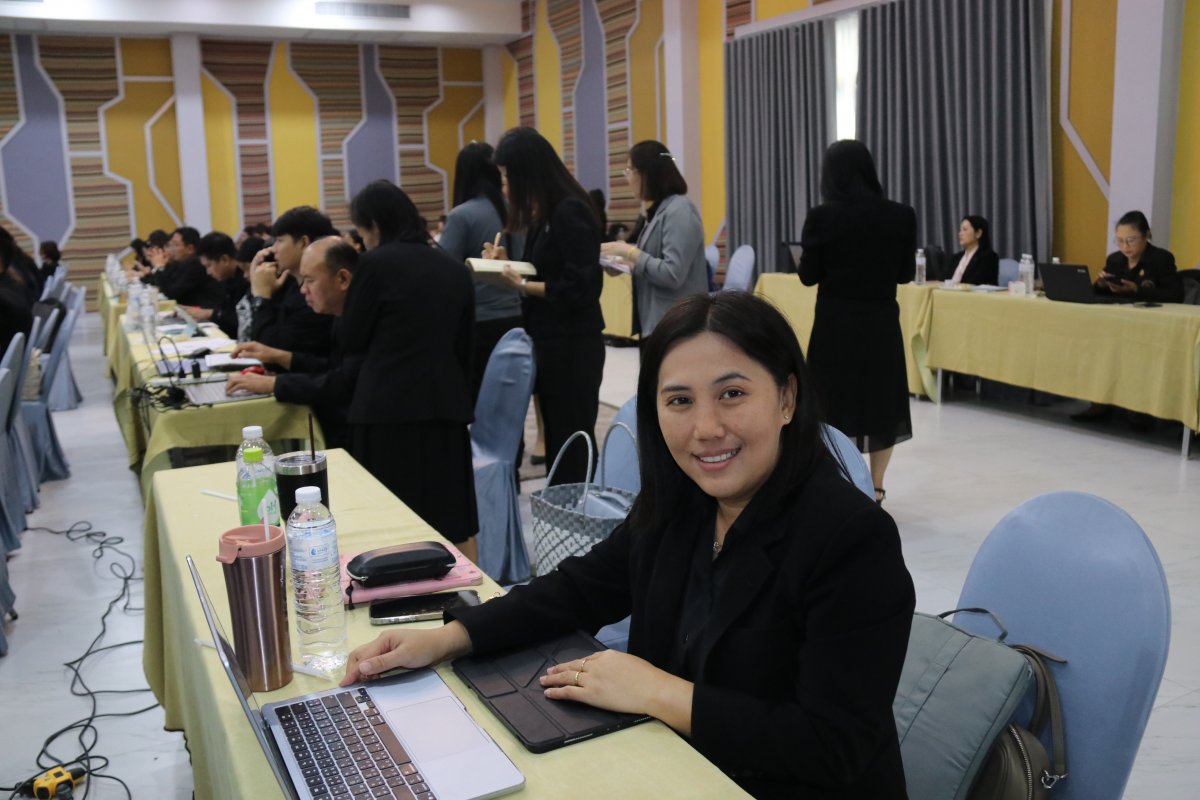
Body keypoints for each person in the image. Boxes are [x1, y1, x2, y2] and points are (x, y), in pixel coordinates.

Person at [341, 292, 915, 799]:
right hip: (672, 769)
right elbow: (578, 589)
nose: (706, 428)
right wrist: (448, 638)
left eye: (732, 394)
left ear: (787, 398)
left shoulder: (850, 539)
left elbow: (832, 745)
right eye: (679, 401)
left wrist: (659, 692)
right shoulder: (682, 504)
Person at [342, 180, 479, 561]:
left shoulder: (374, 265)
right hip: (444, 408)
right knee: (450, 520)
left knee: (386, 524)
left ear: (373, 224)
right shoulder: (454, 268)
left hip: (385, 410)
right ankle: (467, 590)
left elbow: (351, 337)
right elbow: (466, 347)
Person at [486, 127, 605, 486]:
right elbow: (546, 270)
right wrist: (507, 266)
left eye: (507, 178)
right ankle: (562, 507)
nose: (504, 188)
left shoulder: (570, 211)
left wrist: (521, 285)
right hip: (551, 340)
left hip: (573, 343)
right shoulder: (546, 214)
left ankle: (577, 509)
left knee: (572, 436)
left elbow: (582, 286)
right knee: (558, 434)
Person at [799, 140, 915, 504]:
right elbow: (905, 274)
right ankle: (876, 486)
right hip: (880, 322)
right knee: (883, 404)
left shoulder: (822, 217)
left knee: (831, 402)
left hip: (834, 325)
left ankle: (839, 479)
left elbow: (807, 276)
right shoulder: (901, 215)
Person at [228, 237, 358, 447]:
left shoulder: (359, 319)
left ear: (343, 279)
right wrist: (278, 356)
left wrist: (274, 384)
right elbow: (330, 367)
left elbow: (344, 384)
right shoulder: (338, 314)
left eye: (310, 280)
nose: (303, 289)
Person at [439, 141, 523, 401]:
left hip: (479, 322)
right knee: (509, 401)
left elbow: (446, 271)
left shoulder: (461, 216)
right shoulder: (518, 211)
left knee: (478, 402)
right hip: (517, 317)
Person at [600, 140, 709, 337]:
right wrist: (622, 263)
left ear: (647, 173)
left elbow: (672, 274)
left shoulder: (680, 211)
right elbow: (652, 263)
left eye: (629, 170)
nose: (627, 178)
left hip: (678, 325)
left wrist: (629, 252)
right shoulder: (660, 210)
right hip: (658, 322)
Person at [248, 206, 337, 357]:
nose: (273, 249)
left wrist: (261, 296)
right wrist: (256, 281)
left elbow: (271, 350)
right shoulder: (288, 284)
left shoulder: (317, 292)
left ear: (303, 242)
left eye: (279, 241)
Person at [1092, 210, 1182, 303]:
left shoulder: (1161, 259)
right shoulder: (1114, 260)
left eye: (1131, 240)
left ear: (1146, 235)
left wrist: (1136, 289)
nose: (1125, 246)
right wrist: (1101, 285)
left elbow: (1176, 296)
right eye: (1120, 240)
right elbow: (1096, 295)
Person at [140, 226, 223, 309]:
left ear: (190, 249)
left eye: (175, 245)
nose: (172, 249)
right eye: (171, 245)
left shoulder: (195, 264)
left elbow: (171, 293)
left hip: (204, 311)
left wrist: (159, 267)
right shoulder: (180, 262)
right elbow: (168, 283)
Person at [188, 232, 250, 339]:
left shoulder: (246, 280)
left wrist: (212, 314)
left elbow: (242, 321)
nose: (208, 272)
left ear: (224, 260)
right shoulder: (227, 279)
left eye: (209, 266)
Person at [946, 215, 999, 285]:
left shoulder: (989, 257)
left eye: (965, 229)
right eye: (960, 230)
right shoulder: (955, 258)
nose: (960, 234)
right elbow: (943, 280)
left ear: (978, 233)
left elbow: (975, 282)